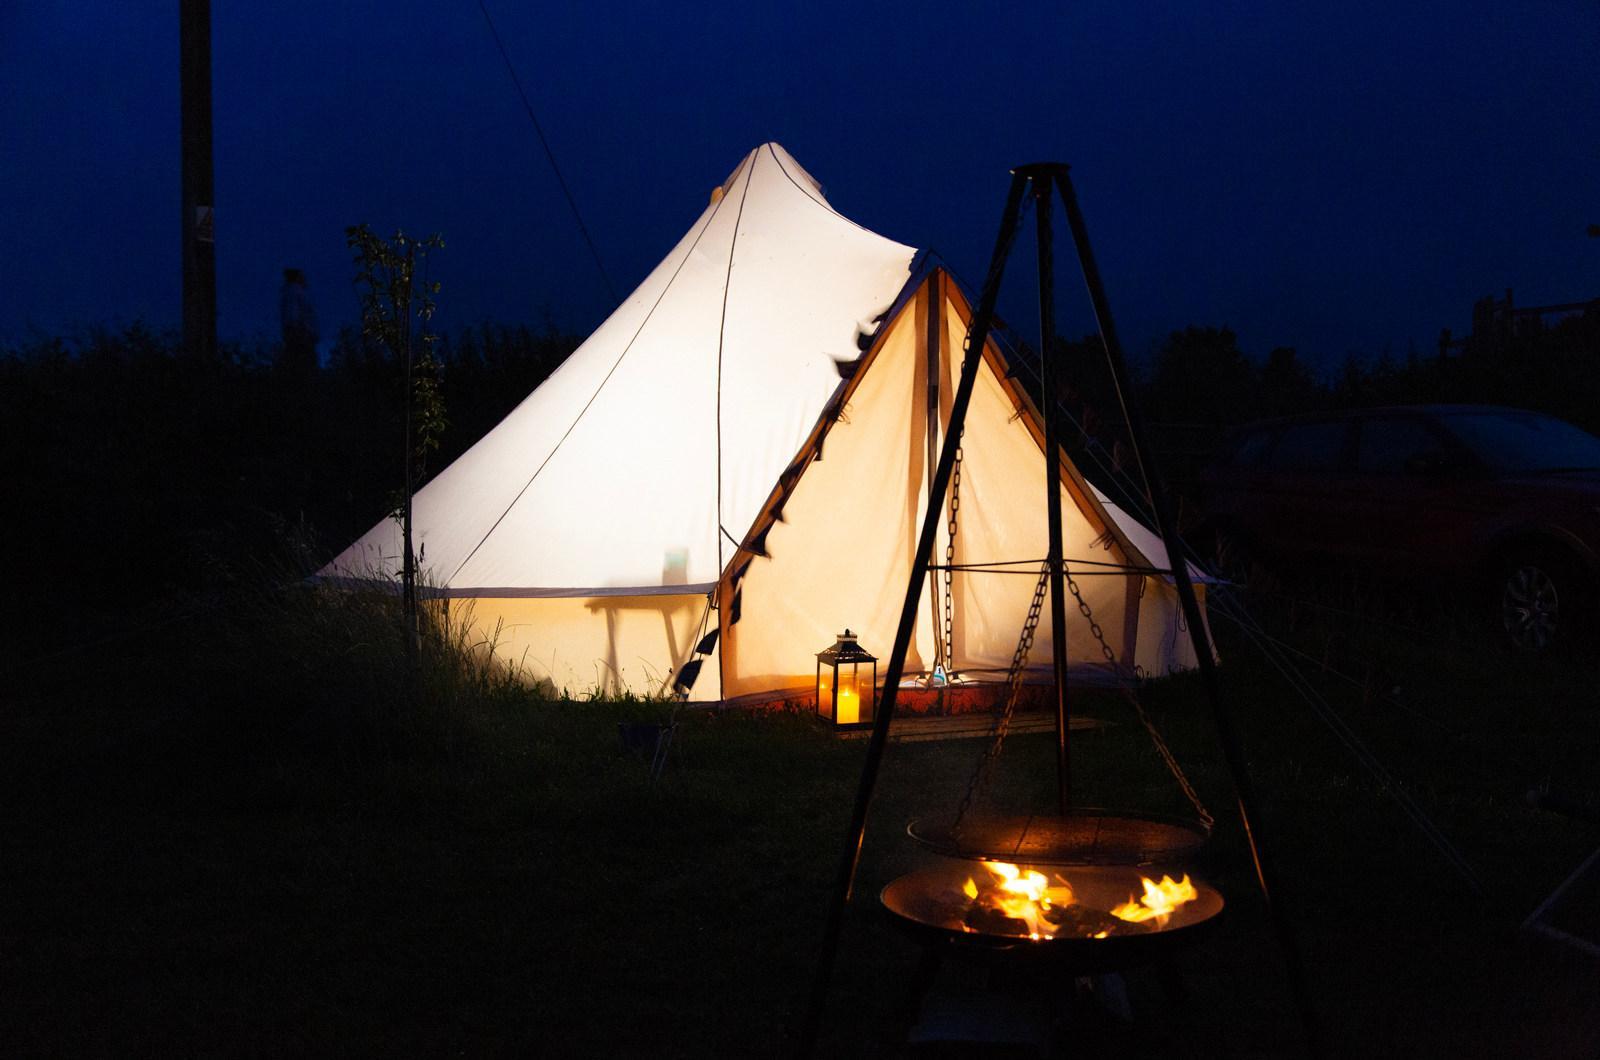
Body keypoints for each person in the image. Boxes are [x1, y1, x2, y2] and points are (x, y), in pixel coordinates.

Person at [279, 267, 320, 372]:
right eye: (302, 276)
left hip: (302, 333)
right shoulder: (294, 291)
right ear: (297, 278)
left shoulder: (294, 292)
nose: (305, 279)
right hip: (301, 334)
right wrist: (300, 331)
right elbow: (293, 314)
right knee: (302, 365)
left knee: (301, 364)